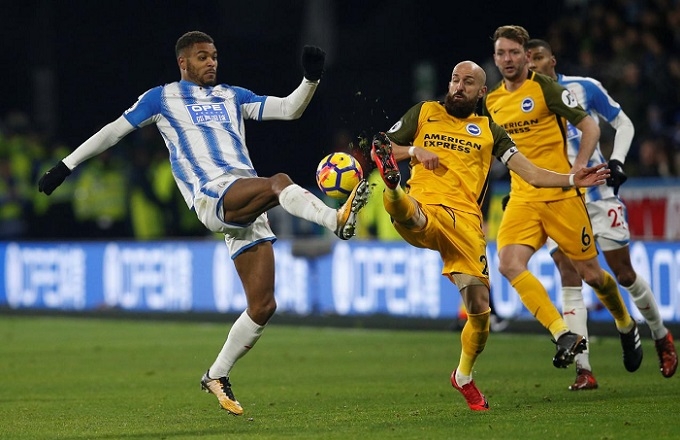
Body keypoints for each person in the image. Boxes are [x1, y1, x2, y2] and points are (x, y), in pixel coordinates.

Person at [37, 30, 370, 416]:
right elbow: (114, 131)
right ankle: (335, 219)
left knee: (263, 305)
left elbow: (289, 109)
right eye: (202, 57)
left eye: (213, 56)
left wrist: (310, 79)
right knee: (279, 181)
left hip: (245, 199)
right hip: (212, 193)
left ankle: (216, 374)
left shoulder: (232, 96)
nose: (211, 62)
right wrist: (65, 166)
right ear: (183, 62)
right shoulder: (161, 98)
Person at [362, 60, 609, 411]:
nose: (458, 87)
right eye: (454, 80)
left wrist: (571, 179)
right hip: (427, 205)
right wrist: (414, 150)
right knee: (416, 216)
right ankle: (394, 190)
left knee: (480, 312)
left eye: (467, 82)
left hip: (466, 226)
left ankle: (463, 376)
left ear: (481, 92)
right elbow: (380, 148)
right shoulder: (424, 112)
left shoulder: (490, 131)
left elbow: (531, 174)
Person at [482, 25, 643, 377]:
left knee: (592, 275)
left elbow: (590, 127)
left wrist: (578, 166)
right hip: (523, 197)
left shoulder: (546, 89)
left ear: (526, 56)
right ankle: (563, 333)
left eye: (514, 52)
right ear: (494, 58)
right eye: (501, 53)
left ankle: (625, 322)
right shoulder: (491, 101)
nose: (507, 59)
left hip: (561, 197)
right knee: (508, 263)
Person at [526, 38, 678, 389]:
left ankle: (660, 335)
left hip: (596, 192)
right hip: (556, 198)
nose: (532, 64)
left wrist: (617, 161)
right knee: (568, 272)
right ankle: (584, 369)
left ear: (553, 60)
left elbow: (623, 123)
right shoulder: (520, 102)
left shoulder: (583, 87)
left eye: (538, 57)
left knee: (622, 273)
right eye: (527, 59)